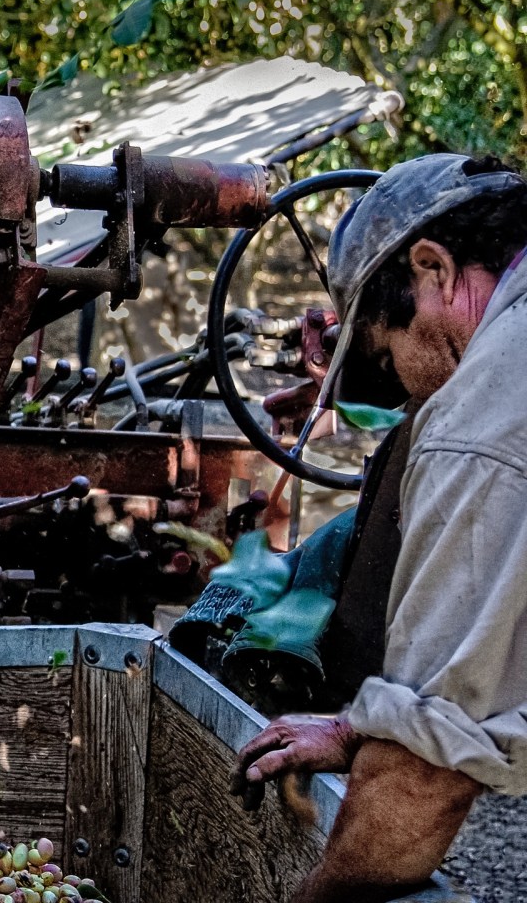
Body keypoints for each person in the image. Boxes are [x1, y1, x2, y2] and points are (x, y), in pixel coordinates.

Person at [231, 153, 527, 903]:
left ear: (433, 269)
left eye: (388, 356)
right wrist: (365, 728)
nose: (402, 388)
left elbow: (424, 780)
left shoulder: (482, 421)